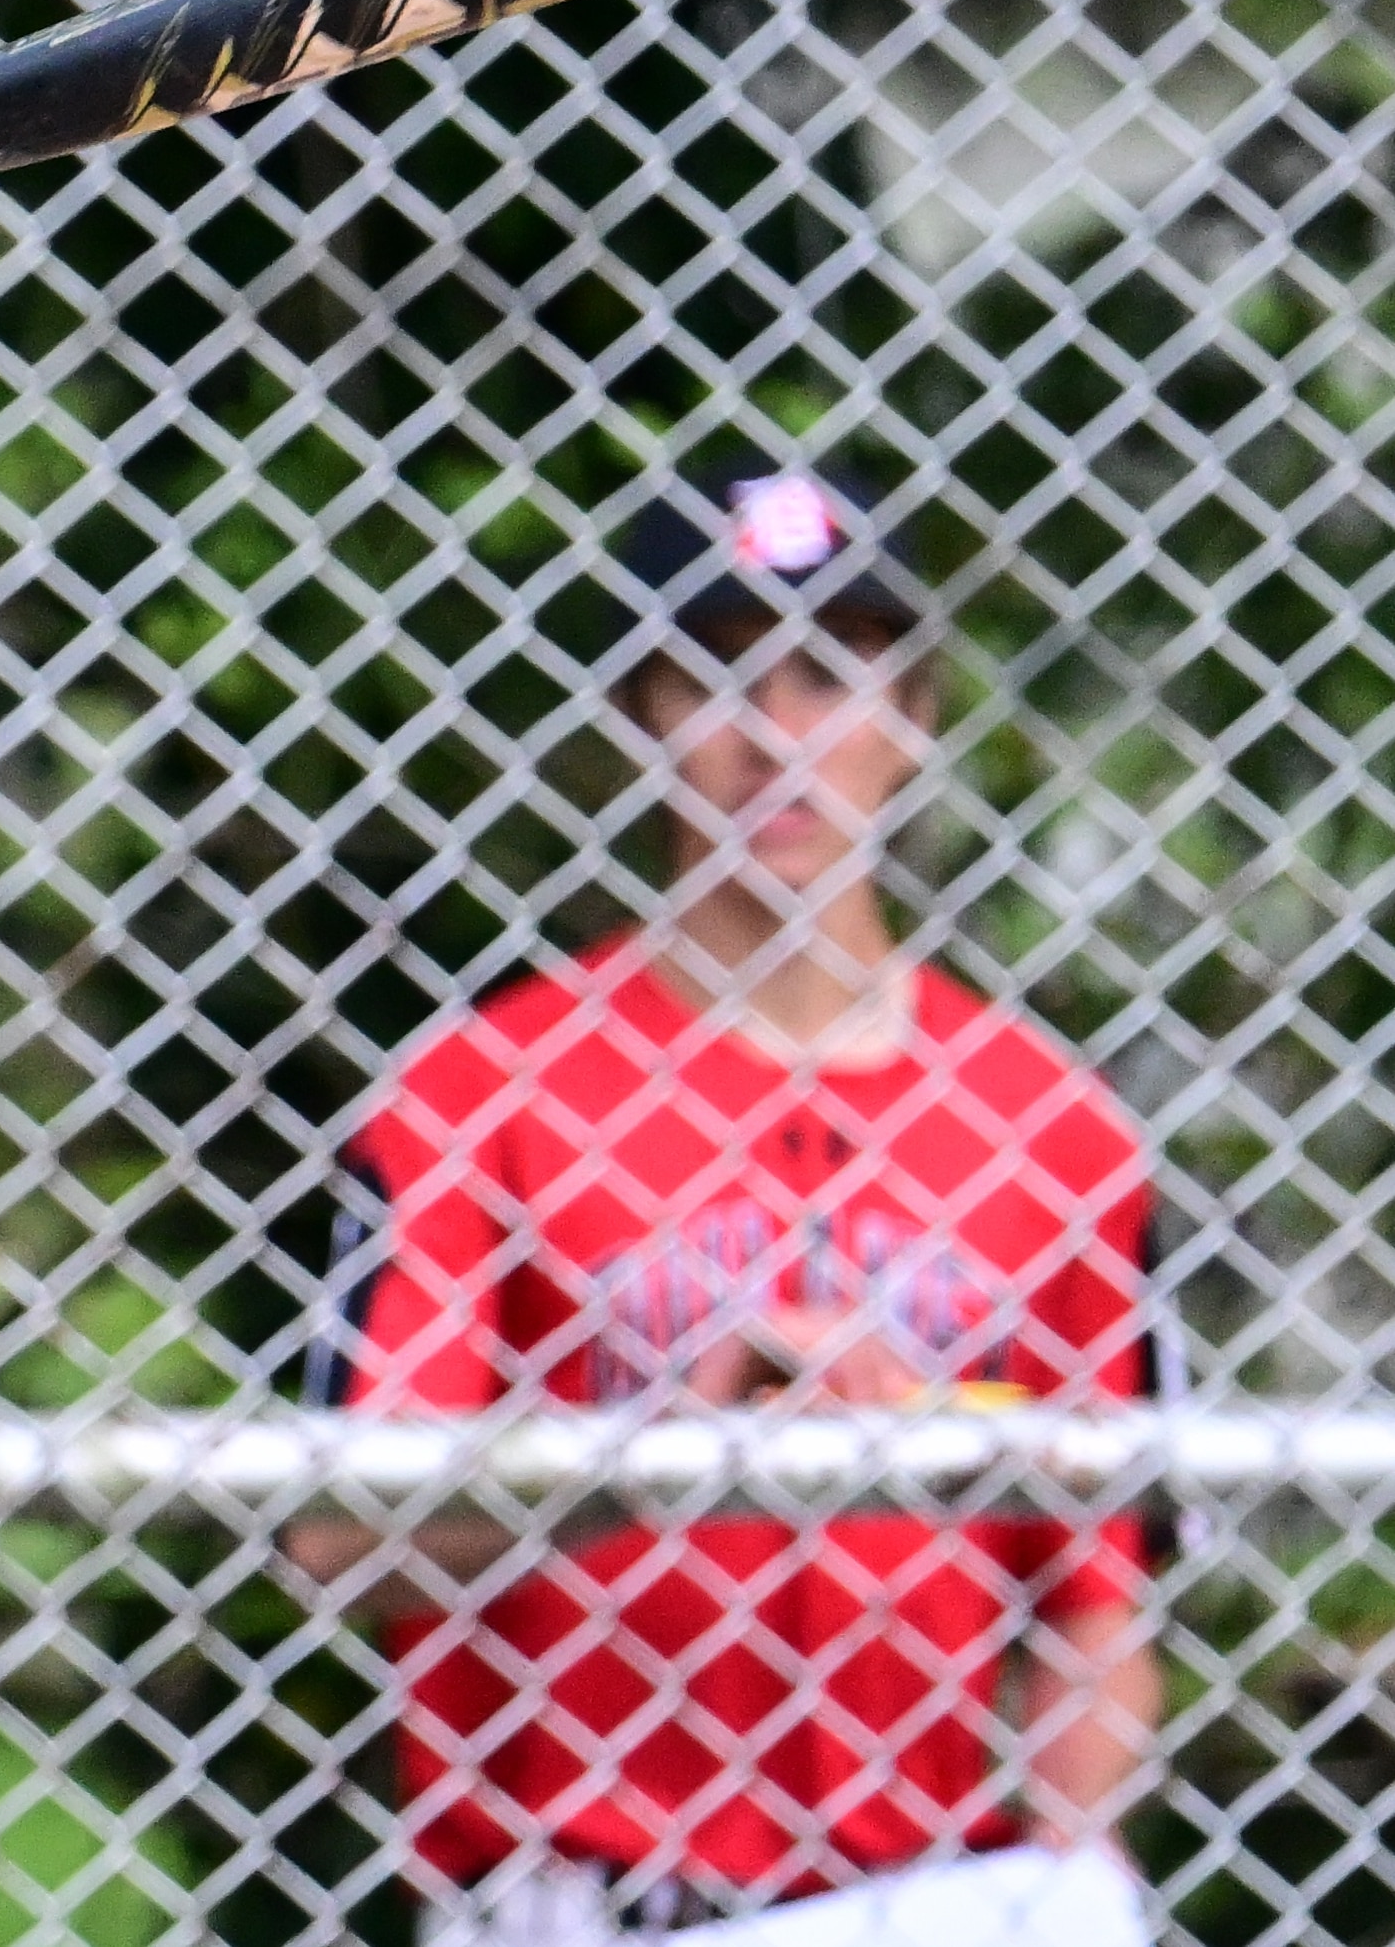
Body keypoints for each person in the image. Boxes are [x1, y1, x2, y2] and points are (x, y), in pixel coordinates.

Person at [281, 458, 1165, 1943]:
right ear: (641, 719)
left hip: (938, 1896)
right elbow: (332, 1541)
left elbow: (1097, 1592)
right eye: (715, 679)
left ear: (916, 718)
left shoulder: (1057, 1130)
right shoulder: (475, 1095)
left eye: (828, 676)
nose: (775, 738)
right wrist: (643, 1455)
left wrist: (1069, 1866)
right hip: (589, 1898)